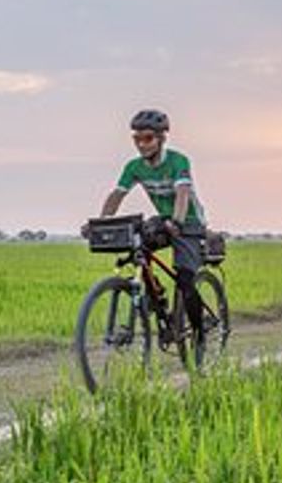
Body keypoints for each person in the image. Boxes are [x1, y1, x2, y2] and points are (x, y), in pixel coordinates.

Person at [87, 108, 207, 331]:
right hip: (164, 220)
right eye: (137, 139)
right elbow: (117, 195)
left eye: (148, 138)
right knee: (138, 248)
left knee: (185, 280)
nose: (142, 144)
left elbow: (182, 194)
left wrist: (178, 222)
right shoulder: (134, 167)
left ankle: (199, 335)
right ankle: (157, 297)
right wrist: (101, 223)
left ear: (161, 138)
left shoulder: (178, 161)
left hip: (188, 222)